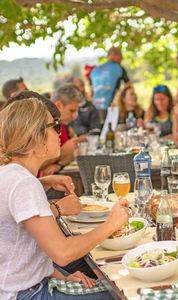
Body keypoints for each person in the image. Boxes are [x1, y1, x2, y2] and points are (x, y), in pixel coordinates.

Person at [0, 98, 130, 299]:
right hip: (26, 293)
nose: (60, 132)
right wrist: (111, 224)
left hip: (25, 285)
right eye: (55, 126)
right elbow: (63, 252)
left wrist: (60, 276)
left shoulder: (10, 174)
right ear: (37, 136)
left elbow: (20, 246)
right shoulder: (24, 183)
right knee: (119, 294)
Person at [39, 84, 83, 177]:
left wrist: (58, 165)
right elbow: (32, 164)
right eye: (71, 111)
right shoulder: (40, 125)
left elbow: (70, 154)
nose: (75, 116)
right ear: (58, 105)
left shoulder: (60, 124)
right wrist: (62, 152)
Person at [89, 47, 131, 124]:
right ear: (114, 55)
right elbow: (129, 87)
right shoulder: (118, 68)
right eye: (120, 55)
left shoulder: (95, 70)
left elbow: (90, 94)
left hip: (96, 108)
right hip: (112, 107)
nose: (122, 58)